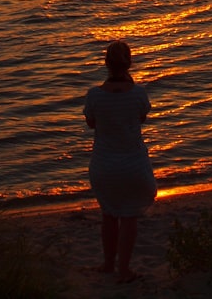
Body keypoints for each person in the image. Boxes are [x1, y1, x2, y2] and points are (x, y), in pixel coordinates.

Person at [83, 40, 157, 283]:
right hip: (133, 164)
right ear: (130, 62)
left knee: (108, 216)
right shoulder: (138, 93)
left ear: (105, 63)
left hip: (104, 165)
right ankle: (124, 269)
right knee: (129, 218)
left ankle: (108, 264)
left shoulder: (94, 95)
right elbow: (142, 117)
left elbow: (91, 123)